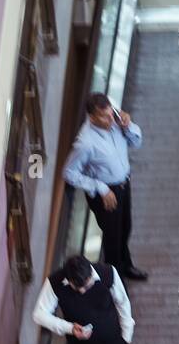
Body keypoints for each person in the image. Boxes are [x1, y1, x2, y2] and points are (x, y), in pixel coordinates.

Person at [63, 92, 148, 281]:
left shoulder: (115, 118)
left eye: (111, 113)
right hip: (107, 194)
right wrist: (100, 188)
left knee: (125, 229)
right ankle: (115, 281)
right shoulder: (85, 143)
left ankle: (126, 267)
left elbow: (137, 142)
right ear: (92, 117)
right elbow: (69, 174)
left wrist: (128, 125)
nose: (111, 119)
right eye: (104, 116)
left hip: (124, 185)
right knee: (112, 240)